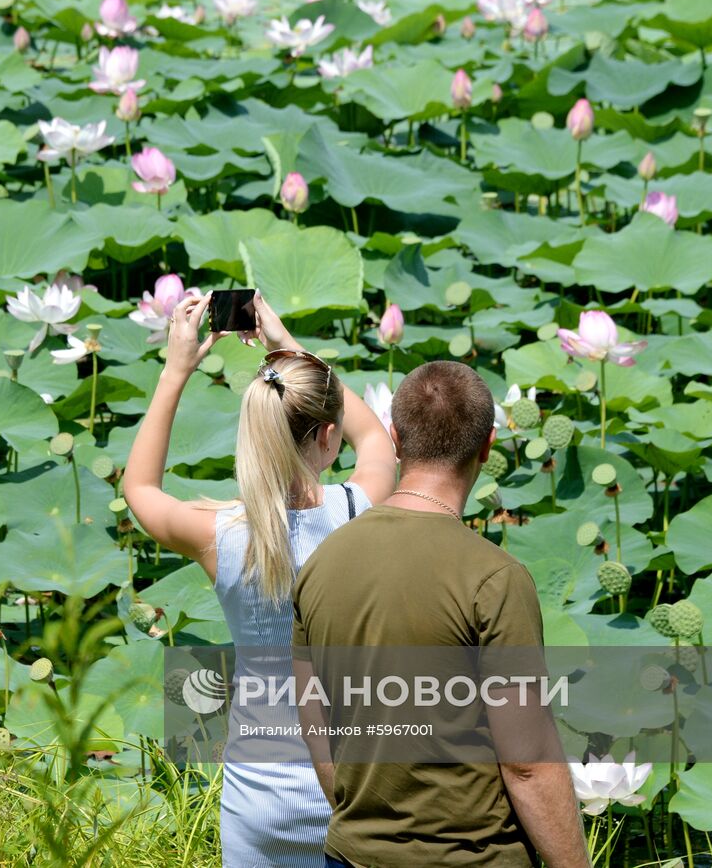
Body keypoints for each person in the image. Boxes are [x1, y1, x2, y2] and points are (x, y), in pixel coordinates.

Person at [123, 291, 397, 867]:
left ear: (251, 431)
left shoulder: (218, 534)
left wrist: (176, 369)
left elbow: (139, 488)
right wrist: (288, 348)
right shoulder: (357, 510)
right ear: (327, 437)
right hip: (348, 794)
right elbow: (376, 440)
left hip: (258, 799)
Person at [292, 360, 589, 868]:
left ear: (395, 438)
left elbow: (314, 721)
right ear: (488, 446)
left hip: (350, 855)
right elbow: (526, 764)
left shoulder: (322, 562)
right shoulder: (495, 578)